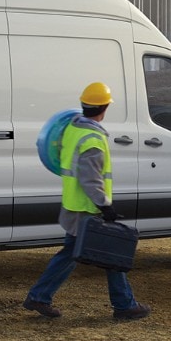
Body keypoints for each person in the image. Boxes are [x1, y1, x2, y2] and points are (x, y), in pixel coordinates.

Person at [23, 82, 151, 321]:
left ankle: (39, 296)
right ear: (104, 108)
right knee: (112, 254)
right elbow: (90, 179)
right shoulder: (92, 139)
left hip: (73, 205)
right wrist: (105, 205)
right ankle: (124, 305)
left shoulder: (73, 128)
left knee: (73, 254)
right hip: (87, 209)